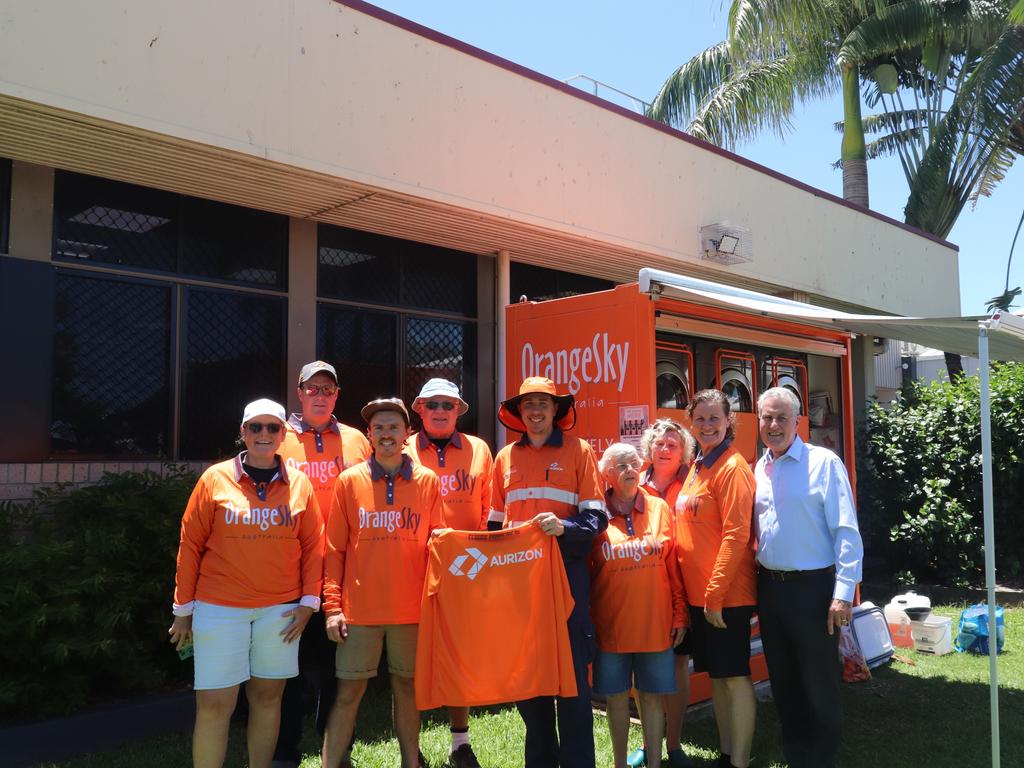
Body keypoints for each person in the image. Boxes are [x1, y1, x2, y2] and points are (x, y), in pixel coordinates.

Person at [168, 398, 324, 768]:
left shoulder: (300, 484)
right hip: (219, 609)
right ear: (242, 433)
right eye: (256, 427)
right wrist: (182, 610)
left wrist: (308, 602)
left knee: (268, 698)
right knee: (214, 704)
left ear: (284, 434)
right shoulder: (215, 479)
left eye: (273, 428)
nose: (264, 434)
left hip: (281, 612)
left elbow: (314, 545)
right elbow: (189, 545)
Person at [489, 376, 607, 768]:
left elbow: (597, 519)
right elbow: (492, 527)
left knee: (572, 681)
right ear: (518, 412)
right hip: (519, 586)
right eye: (528, 405)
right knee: (529, 679)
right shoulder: (504, 458)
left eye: (543, 403)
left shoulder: (580, 451)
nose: (535, 411)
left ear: (556, 409)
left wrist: (565, 528)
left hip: (567, 579)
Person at [321, 398, 443, 768]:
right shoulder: (349, 481)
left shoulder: (427, 481)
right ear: (369, 435)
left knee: (407, 689)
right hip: (360, 612)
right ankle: (331, 763)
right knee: (349, 692)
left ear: (408, 434)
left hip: (411, 610)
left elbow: (438, 543)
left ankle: (411, 762)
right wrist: (332, 608)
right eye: (379, 428)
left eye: (393, 427)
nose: (386, 434)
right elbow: (334, 550)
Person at [753, 387, 863, 768]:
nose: (773, 425)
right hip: (770, 587)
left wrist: (843, 593)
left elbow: (846, 531)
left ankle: (822, 757)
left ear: (798, 422)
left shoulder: (823, 463)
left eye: (782, 417)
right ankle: (797, 754)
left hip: (815, 590)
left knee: (819, 681)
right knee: (783, 678)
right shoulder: (759, 467)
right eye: (767, 417)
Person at [274, 361, 370, 768]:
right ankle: (284, 750)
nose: (320, 395)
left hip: (343, 569)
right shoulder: (276, 435)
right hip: (289, 569)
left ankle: (336, 750)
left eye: (327, 389)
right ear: (299, 391)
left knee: (338, 664)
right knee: (286, 664)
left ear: (337, 394)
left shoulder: (357, 440)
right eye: (312, 388)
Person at [406, 378, 494, 768]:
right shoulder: (403, 449)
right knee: (410, 662)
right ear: (419, 409)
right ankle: (412, 747)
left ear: (459, 409)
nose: (440, 410)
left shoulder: (479, 450)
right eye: (432, 404)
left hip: (465, 569)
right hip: (411, 566)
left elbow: (492, 511)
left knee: (460, 657)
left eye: (448, 403)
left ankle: (460, 743)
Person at [591, 443, 686, 768]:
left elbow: (674, 567)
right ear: (606, 474)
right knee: (616, 699)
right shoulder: (595, 515)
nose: (630, 469)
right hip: (611, 629)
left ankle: (655, 763)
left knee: (651, 697)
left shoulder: (659, 508)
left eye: (633, 463)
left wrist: (679, 613)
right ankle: (619, 764)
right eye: (620, 465)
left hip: (655, 625)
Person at [676, 390, 757, 768]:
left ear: (729, 422)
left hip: (725, 597)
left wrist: (715, 593)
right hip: (701, 596)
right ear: (691, 422)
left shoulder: (732, 467)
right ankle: (726, 755)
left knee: (735, 677)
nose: (707, 425)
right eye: (700, 419)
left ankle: (739, 761)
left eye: (714, 418)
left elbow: (736, 535)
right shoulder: (698, 464)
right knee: (719, 679)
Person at [632, 419, 698, 768]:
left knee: (676, 667)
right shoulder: (636, 484)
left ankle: (673, 744)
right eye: (659, 442)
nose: (665, 448)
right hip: (643, 589)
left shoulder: (692, 482)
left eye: (673, 443)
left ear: (684, 450)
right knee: (643, 668)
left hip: (683, 585)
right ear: (649, 448)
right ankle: (648, 741)